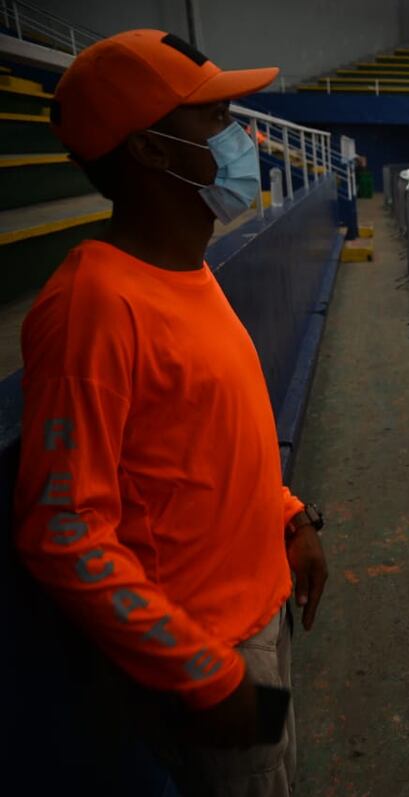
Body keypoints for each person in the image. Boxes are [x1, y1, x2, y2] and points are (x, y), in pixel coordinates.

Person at [14, 29, 328, 796]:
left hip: (260, 616)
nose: (244, 135)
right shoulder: (94, 305)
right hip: (210, 655)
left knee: (277, 770)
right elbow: (61, 531)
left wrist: (289, 517)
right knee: (253, 779)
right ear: (151, 151)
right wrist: (203, 673)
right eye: (215, 117)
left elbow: (207, 446)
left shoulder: (186, 270)